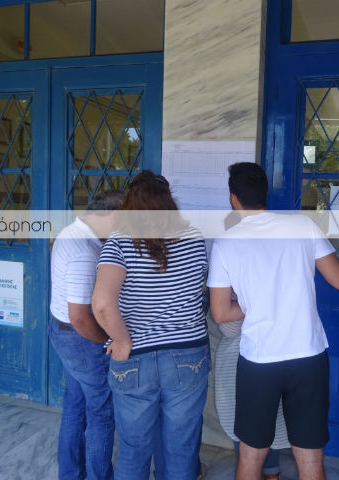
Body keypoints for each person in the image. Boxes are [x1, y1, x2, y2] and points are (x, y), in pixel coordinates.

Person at [207, 162, 339, 480]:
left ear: (233, 199)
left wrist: (252, 303)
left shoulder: (226, 243)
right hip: (308, 357)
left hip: (259, 360)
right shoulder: (302, 226)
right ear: (265, 194)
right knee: (310, 459)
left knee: (251, 457)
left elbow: (221, 313)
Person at [92, 170, 210, 480]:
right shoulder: (193, 237)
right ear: (169, 203)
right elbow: (200, 288)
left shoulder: (119, 243)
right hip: (188, 356)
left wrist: (121, 340)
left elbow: (102, 304)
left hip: (135, 357)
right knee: (181, 449)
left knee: (134, 449)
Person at [48, 190, 126, 480]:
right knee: (101, 412)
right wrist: (110, 340)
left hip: (62, 333)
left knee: (75, 406)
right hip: (80, 339)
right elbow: (80, 317)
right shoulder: (83, 250)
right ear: (113, 215)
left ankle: (70, 474)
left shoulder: (72, 232)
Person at [215, 317, 289, 480]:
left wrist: (244, 306)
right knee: (270, 421)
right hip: (277, 357)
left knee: (246, 429)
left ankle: (266, 473)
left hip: (245, 359)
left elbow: (229, 328)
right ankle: (271, 474)